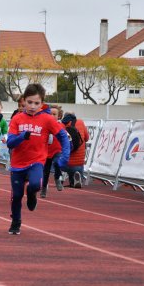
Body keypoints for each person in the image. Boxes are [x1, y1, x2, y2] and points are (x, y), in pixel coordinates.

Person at [6, 84, 70, 235]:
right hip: (18, 164)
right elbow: (10, 142)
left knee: (35, 184)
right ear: (24, 101)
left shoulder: (47, 119)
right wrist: (22, 136)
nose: (32, 106)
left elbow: (63, 136)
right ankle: (16, 221)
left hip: (37, 161)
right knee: (16, 196)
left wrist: (65, 156)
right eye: (29, 102)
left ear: (42, 103)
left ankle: (32, 194)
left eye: (36, 103)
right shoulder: (17, 119)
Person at [41, 105, 65, 198]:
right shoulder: (45, 125)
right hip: (47, 152)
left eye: (54, 114)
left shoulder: (61, 125)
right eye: (50, 114)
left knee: (57, 163)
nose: (51, 116)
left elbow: (65, 137)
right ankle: (43, 189)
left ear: (59, 116)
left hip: (57, 150)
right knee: (46, 172)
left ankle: (57, 178)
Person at [61, 112, 90, 189]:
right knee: (77, 169)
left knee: (60, 166)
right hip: (79, 162)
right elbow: (87, 138)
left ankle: (62, 178)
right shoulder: (80, 122)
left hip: (66, 160)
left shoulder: (62, 124)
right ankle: (77, 178)